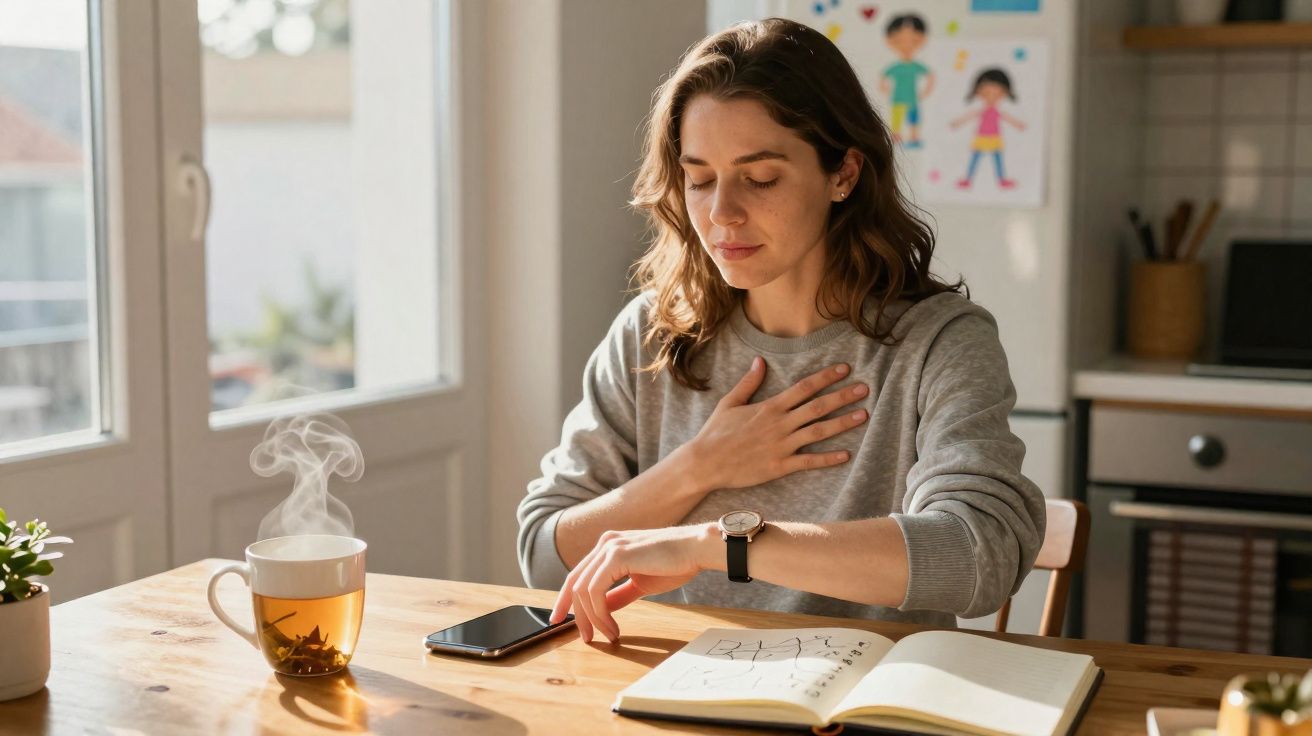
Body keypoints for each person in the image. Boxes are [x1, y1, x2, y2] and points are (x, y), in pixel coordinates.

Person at [516, 18, 1044, 645]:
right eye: (700, 178)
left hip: (864, 701)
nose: (722, 214)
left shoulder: (940, 342)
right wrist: (700, 467)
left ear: (843, 173)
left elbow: (978, 557)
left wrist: (718, 544)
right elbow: (545, 556)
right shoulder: (651, 334)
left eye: (760, 178)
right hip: (678, 691)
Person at [951, 67, 1027, 189]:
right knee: (975, 159)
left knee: (997, 160)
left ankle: (1002, 180)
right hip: (982, 137)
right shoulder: (982, 110)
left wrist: (1018, 124)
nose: (991, 97)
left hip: (994, 138)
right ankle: (968, 179)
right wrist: (957, 123)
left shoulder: (997, 112)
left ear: (1004, 93)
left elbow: (1007, 118)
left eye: (996, 93)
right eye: (986, 93)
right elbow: (969, 116)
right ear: (978, 92)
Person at [879, 13, 933, 148]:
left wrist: (926, 91)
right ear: (890, 41)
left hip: (912, 98)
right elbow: (883, 77)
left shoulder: (916, 66)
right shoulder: (896, 67)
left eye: (913, 40)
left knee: (913, 119)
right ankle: (896, 136)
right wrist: (886, 89)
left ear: (922, 40)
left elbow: (930, 75)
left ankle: (914, 137)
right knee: (897, 118)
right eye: (900, 40)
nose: (906, 44)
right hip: (898, 97)